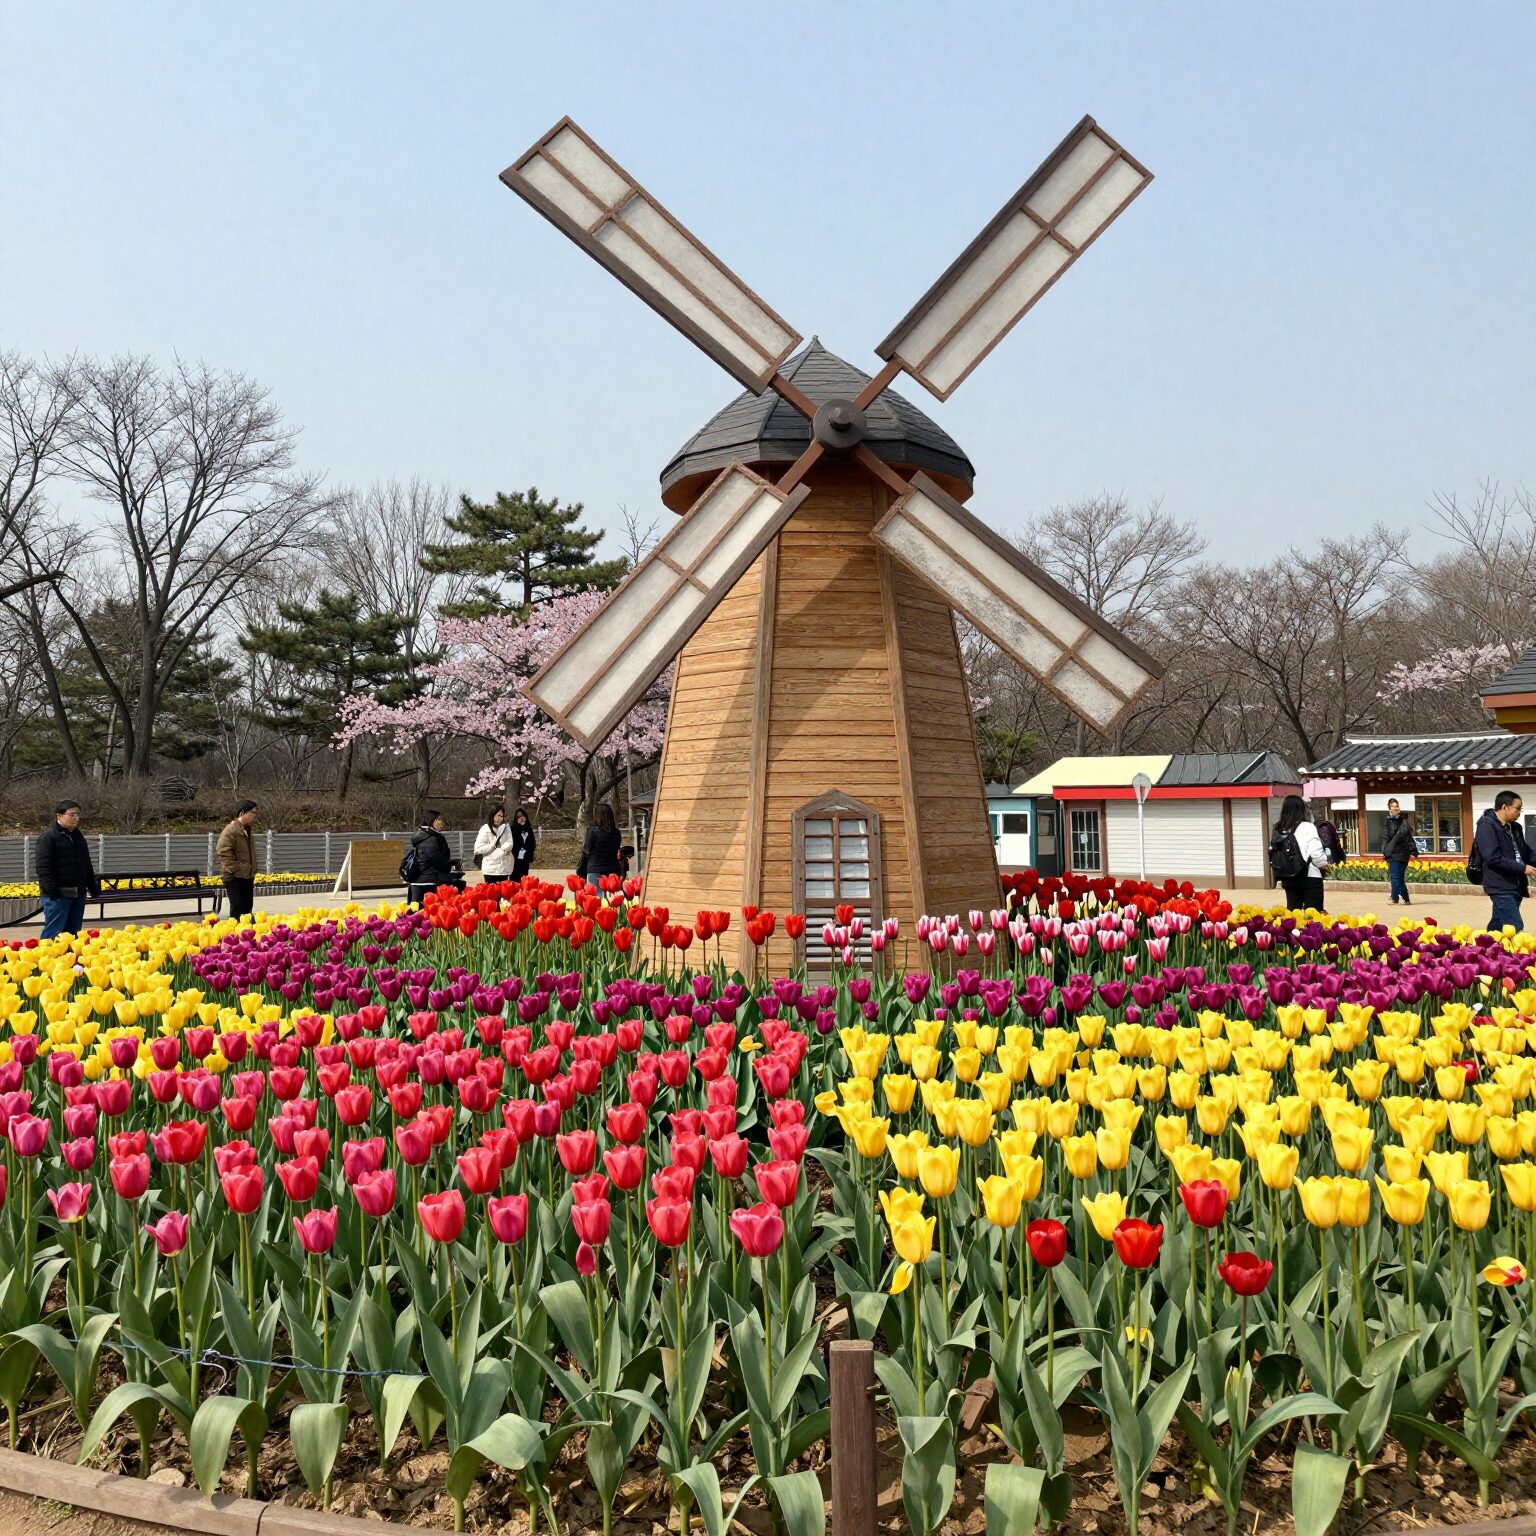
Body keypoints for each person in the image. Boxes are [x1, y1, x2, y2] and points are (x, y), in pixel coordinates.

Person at [1474, 790, 1536, 933]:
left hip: (1516, 883)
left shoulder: (1515, 827)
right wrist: (1522, 869)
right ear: (1505, 807)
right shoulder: (1486, 826)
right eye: (1517, 808)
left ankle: (1487, 943)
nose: (1519, 812)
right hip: (1499, 884)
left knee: (1498, 925)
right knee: (1514, 927)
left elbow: (1525, 852)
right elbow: (1492, 857)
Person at [37, 800, 100, 940]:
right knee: (53, 933)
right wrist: (53, 892)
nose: (75, 818)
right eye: (71, 815)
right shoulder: (49, 837)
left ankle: (70, 954)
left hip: (78, 893)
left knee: (73, 933)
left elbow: (86, 863)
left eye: (77, 815)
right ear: (59, 816)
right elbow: (43, 867)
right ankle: (46, 953)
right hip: (58, 895)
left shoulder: (77, 836)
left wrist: (92, 886)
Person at [1272, 793, 1328, 912]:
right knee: (1313, 915)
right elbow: (1316, 854)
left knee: (1293, 914)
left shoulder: (1278, 828)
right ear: (1301, 810)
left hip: (1289, 877)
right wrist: (1324, 865)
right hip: (1309, 876)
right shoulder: (1307, 827)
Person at [407, 810, 461, 907]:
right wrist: (450, 865)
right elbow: (436, 860)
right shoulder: (430, 839)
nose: (442, 823)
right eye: (439, 820)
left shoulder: (425, 836)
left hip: (422, 878)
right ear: (433, 821)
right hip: (427, 880)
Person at [217, 800, 259, 921]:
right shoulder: (230, 830)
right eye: (252, 812)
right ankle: (234, 932)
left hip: (246, 875)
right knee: (238, 910)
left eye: (255, 813)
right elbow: (222, 851)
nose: (254, 816)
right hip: (234, 876)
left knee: (247, 911)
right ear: (242, 812)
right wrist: (238, 868)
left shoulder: (247, 830)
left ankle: (247, 932)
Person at [1380, 797, 1417, 906]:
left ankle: (1395, 898)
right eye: (1393, 807)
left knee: (1397, 877)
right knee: (1397, 877)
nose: (1396, 808)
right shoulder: (1387, 821)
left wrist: (1413, 851)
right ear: (1389, 809)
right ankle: (1404, 899)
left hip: (1404, 852)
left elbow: (1409, 837)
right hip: (1393, 852)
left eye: (1397, 806)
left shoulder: (1404, 821)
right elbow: (1385, 837)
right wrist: (1384, 851)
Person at [577, 803, 624, 883]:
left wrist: (581, 870)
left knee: (595, 890)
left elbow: (586, 850)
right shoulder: (616, 832)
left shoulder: (593, 831)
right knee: (610, 890)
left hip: (595, 868)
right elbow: (617, 849)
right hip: (612, 869)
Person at [473, 805, 515, 880]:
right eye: (497, 815)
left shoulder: (506, 828)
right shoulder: (485, 829)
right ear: (492, 815)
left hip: (504, 868)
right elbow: (478, 848)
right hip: (490, 869)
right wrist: (493, 845)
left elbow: (510, 843)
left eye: (501, 816)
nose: (498, 818)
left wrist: (503, 848)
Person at [510, 807, 538, 880]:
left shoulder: (529, 829)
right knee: (514, 878)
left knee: (524, 878)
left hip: (525, 858)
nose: (522, 819)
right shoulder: (512, 829)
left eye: (523, 817)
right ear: (516, 819)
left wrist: (530, 853)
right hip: (515, 859)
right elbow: (511, 844)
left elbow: (532, 843)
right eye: (519, 817)